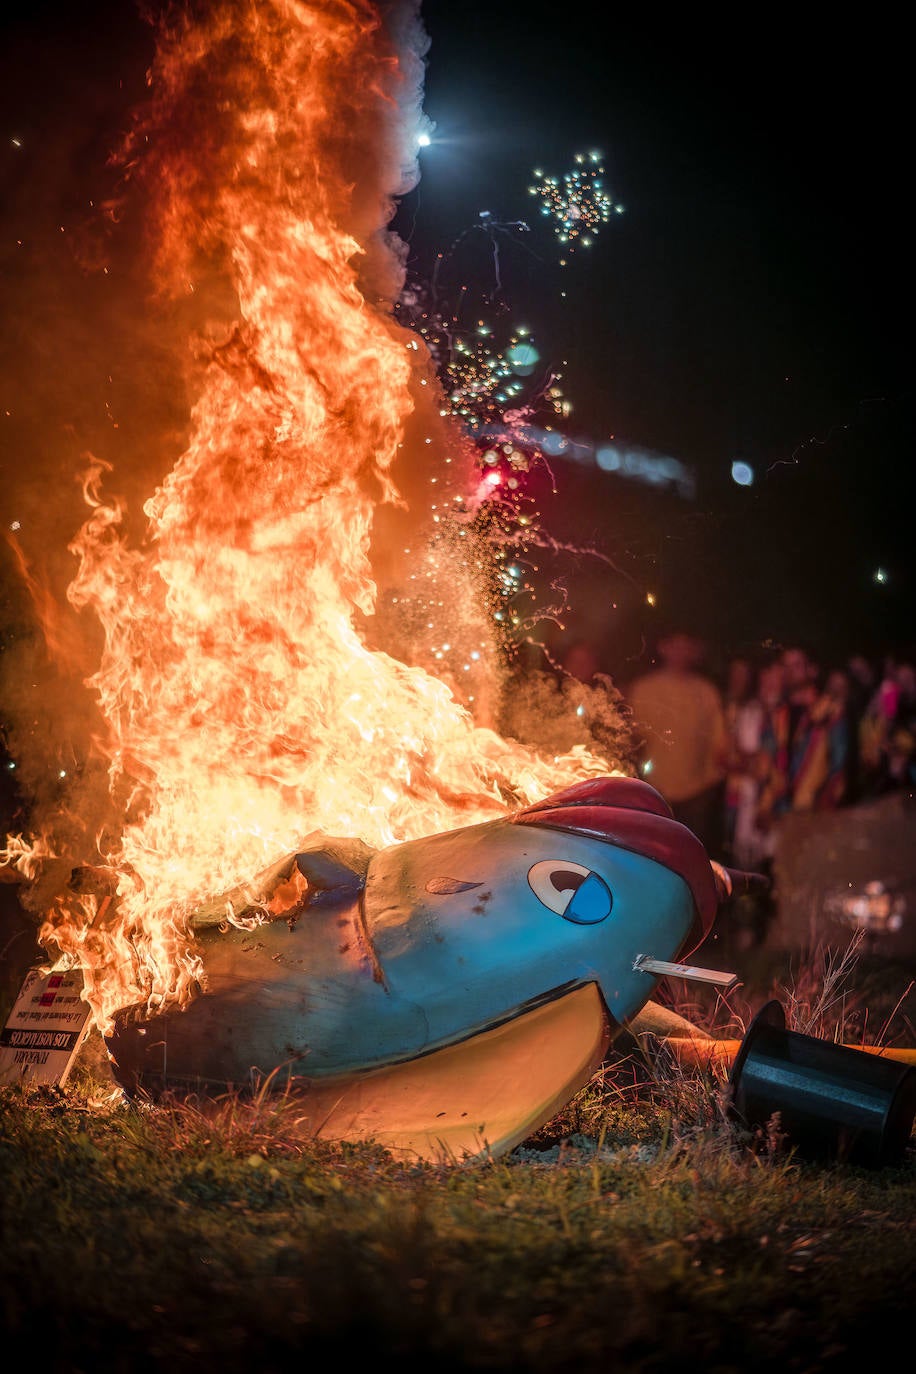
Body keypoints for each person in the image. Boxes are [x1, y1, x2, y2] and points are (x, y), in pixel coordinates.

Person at [626, 629, 730, 857]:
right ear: (663, 648)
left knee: (692, 856)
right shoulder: (644, 689)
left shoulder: (706, 692)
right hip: (656, 791)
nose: (681, 652)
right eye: (676, 645)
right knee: (656, 855)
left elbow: (719, 742)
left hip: (697, 792)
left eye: (687, 646)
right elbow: (632, 739)